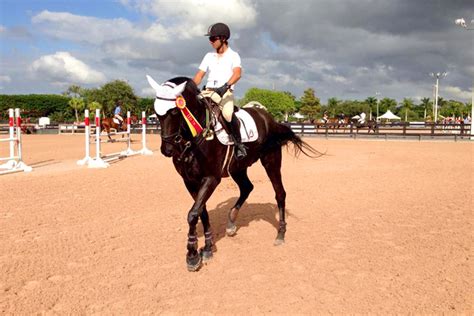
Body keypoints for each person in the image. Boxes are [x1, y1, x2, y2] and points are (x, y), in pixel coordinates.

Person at [192, 22, 246, 160]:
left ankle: (239, 145)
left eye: (213, 39)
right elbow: (199, 75)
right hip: (208, 91)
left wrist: (226, 86)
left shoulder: (234, 56)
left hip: (224, 92)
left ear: (223, 38)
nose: (210, 42)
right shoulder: (208, 56)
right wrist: (190, 87)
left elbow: (237, 73)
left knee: (227, 114)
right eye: (210, 39)